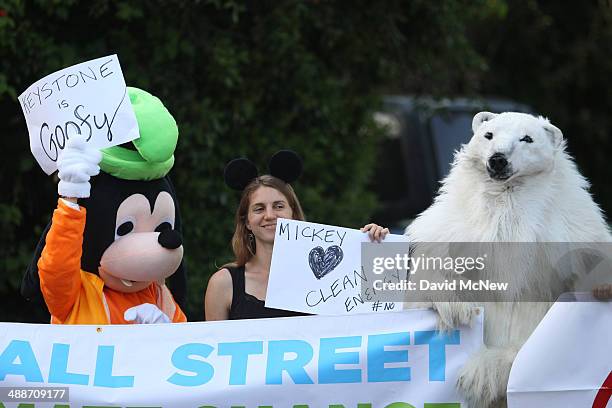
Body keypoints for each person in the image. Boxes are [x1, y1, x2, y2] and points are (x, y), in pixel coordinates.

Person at [204, 151, 388, 320]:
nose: (269, 215)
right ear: (247, 222)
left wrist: (378, 251)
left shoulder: (332, 273)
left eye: (278, 206)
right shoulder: (223, 284)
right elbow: (214, 351)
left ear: (294, 213)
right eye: (259, 208)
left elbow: (384, 320)